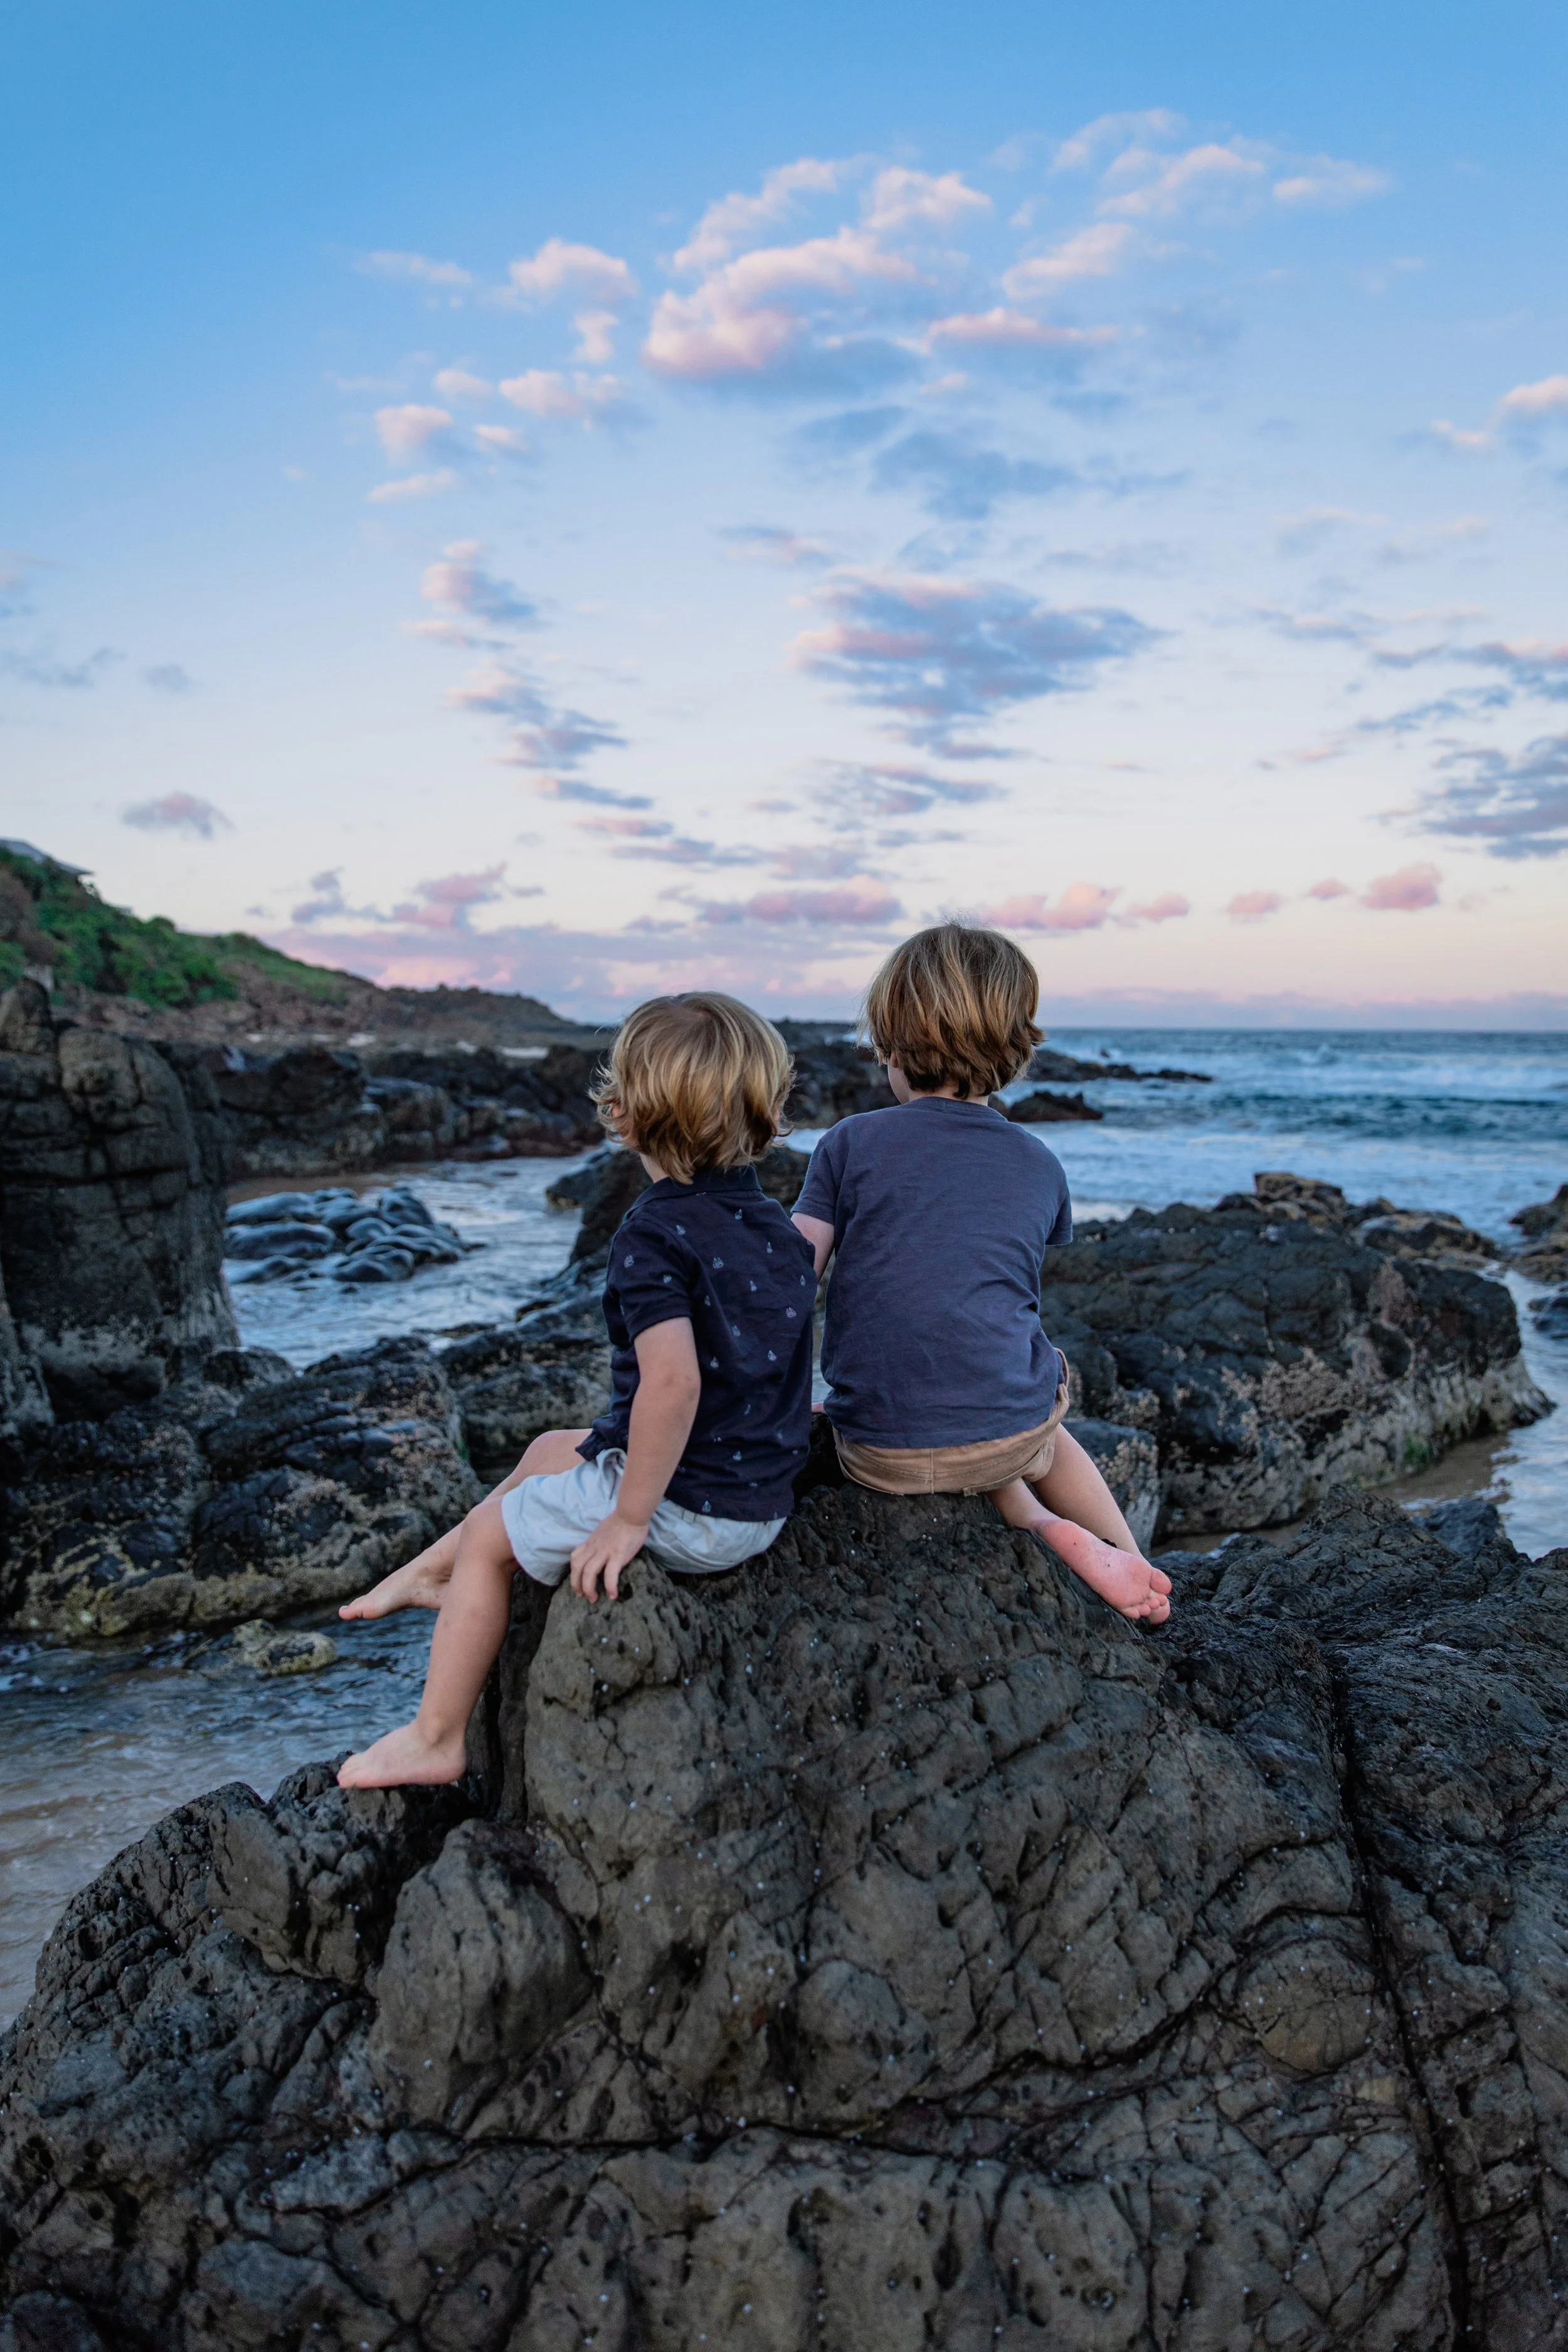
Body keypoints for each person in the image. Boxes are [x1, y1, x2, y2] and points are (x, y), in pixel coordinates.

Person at [337, 991, 817, 1788]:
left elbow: (673, 1384)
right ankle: (429, 1570)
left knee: (494, 1533)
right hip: (758, 1498)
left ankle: (435, 1736)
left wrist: (629, 1519)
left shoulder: (652, 1232)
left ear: (623, 1113)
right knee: (548, 1451)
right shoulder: (777, 1228)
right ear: (763, 1111)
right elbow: (786, 1369)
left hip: (691, 1511)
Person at [791, 921, 1171, 1625]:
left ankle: (1038, 1523)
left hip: (875, 1451)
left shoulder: (848, 1143)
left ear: (892, 1042)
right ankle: (1123, 1552)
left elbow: (788, 1286)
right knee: (1043, 1417)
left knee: (947, 1394)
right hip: (1006, 1441)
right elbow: (989, 1287)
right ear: (1015, 1049)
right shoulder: (1037, 1163)